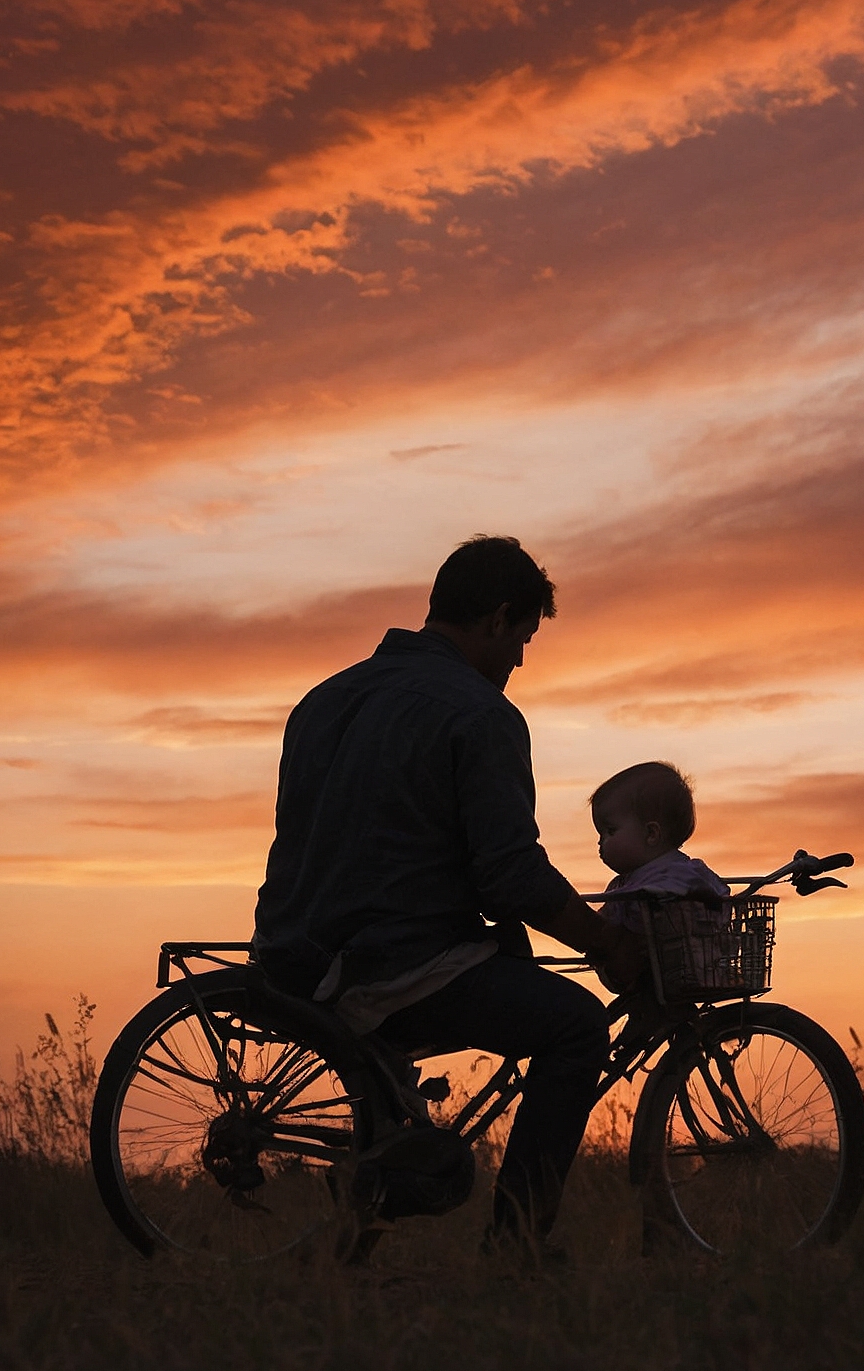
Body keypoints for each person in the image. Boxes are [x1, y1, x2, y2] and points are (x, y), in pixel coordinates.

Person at [251, 535, 644, 1250]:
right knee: (575, 1025)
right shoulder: (480, 714)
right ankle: (516, 1245)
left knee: (495, 967)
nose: (521, 659)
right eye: (523, 637)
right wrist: (603, 941)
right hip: (388, 962)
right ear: (497, 619)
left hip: (289, 954)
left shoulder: (323, 699)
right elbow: (512, 877)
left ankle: (386, 1173)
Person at [590, 761, 731, 926]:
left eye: (610, 831)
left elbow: (695, 892)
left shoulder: (679, 874)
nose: (600, 841)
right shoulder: (622, 884)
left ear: (651, 834)